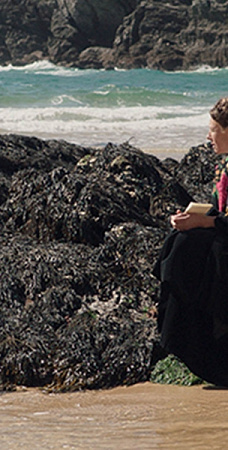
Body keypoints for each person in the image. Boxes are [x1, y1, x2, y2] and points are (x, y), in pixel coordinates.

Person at [154, 97, 228, 386]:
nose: (208, 136)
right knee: (179, 239)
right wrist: (191, 216)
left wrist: (204, 222)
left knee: (188, 247)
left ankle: (203, 341)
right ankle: (178, 334)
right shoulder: (223, 167)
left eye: (213, 129)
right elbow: (219, 212)